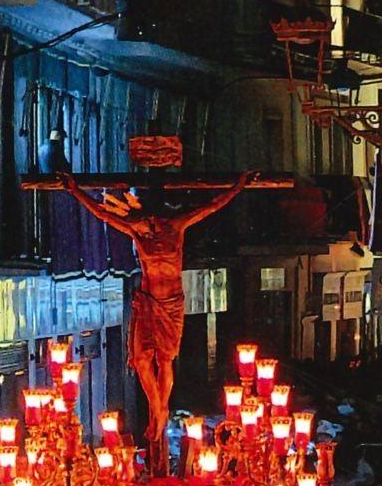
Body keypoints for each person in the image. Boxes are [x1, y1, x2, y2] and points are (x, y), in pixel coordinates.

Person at [63, 170, 255, 443]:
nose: (150, 221)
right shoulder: (136, 228)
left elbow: (211, 206)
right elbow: (103, 214)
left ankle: (160, 410)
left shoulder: (176, 225)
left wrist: (237, 187)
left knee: (164, 358)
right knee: (141, 359)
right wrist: (75, 191)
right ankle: (159, 408)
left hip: (171, 303)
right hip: (147, 301)